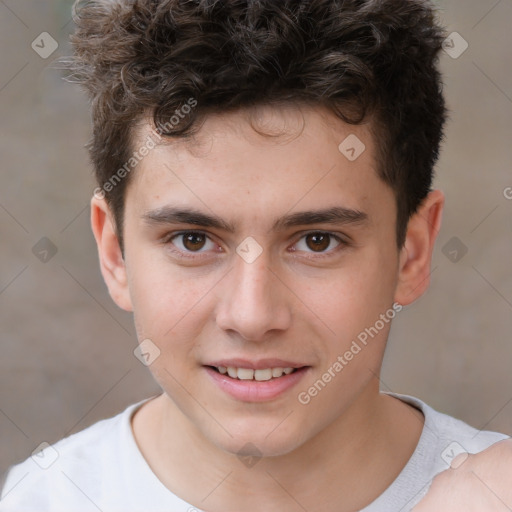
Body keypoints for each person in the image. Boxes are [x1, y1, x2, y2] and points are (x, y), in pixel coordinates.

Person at [0, 0, 509, 511]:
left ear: (412, 253)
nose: (252, 316)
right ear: (115, 254)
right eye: (192, 240)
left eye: (317, 241)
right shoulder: (43, 498)